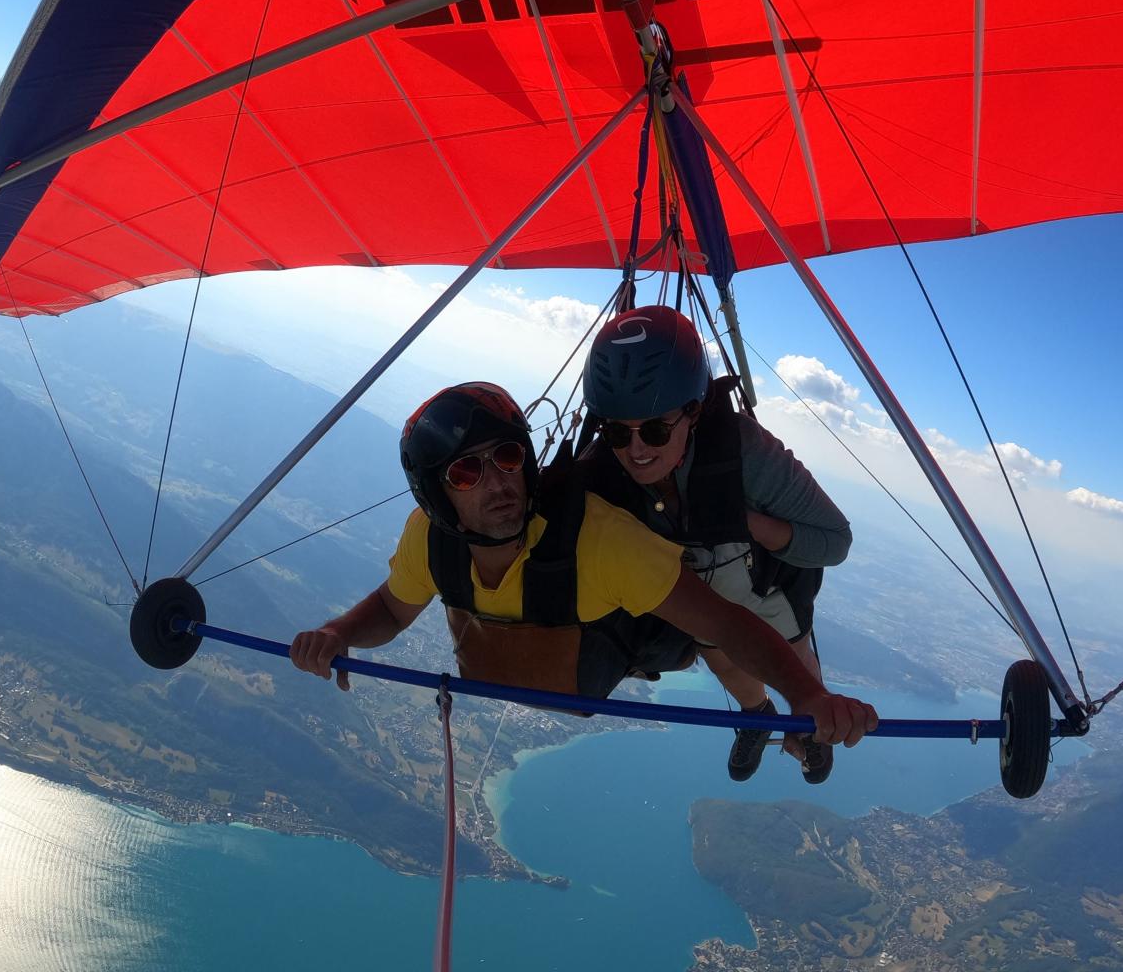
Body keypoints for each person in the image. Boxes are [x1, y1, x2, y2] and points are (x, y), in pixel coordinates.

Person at [289, 382, 876, 752]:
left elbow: (726, 623)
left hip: (643, 638)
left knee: (706, 618)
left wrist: (808, 694)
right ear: (437, 496)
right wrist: (340, 633)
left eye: (508, 456)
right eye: (467, 473)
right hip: (567, 661)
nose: (497, 481)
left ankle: (759, 716)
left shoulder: (596, 540)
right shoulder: (432, 541)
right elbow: (393, 607)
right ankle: (760, 715)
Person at [578, 305, 854, 785]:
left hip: (763, 591)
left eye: (657, 429)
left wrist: (746, 522)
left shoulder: (746, 452)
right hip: (701, 599)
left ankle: (807, 729)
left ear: (694, 411)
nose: (638, 449)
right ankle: (756, 716)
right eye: (619, 431)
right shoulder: (603, 467)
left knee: (795, 668)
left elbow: (834, 541)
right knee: (722, 656)